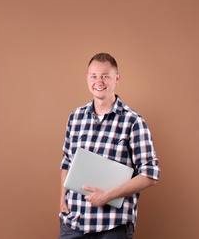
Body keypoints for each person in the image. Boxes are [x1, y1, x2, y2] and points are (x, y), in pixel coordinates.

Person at [59, 53, 161, 238]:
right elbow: (67, 161)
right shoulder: (75, 117)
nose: (99, 81)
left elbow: (150, 174)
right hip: (74, 220)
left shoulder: (133, 121)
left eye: (105, 76)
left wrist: (107, 196)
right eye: (94, 76)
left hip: (112, 225)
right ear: (87, 78)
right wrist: (62, 198)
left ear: (116, 78)